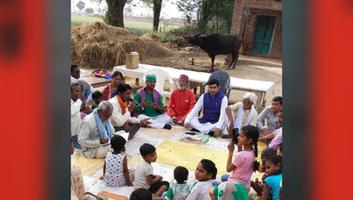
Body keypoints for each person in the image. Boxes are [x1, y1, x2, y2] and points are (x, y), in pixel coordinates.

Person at [225, 125, 259, 190]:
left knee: (215, 184)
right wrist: (239, 147)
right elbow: (241, 162)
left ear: (249, 140)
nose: (238, 137)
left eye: (241, 136)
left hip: (234, 187)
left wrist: (230, 152)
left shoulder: (241, 155)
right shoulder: (253, 152)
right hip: (245, 185)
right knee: (224, 177)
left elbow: (228, 169)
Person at [71, 83, 84, 149]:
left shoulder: (78, 101)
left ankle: (75, 141)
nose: (79, 93)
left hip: (76, 131)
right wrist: (80, 101)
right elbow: (72, 111)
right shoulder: (78, 101)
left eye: (80, 91)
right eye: (77, 91)